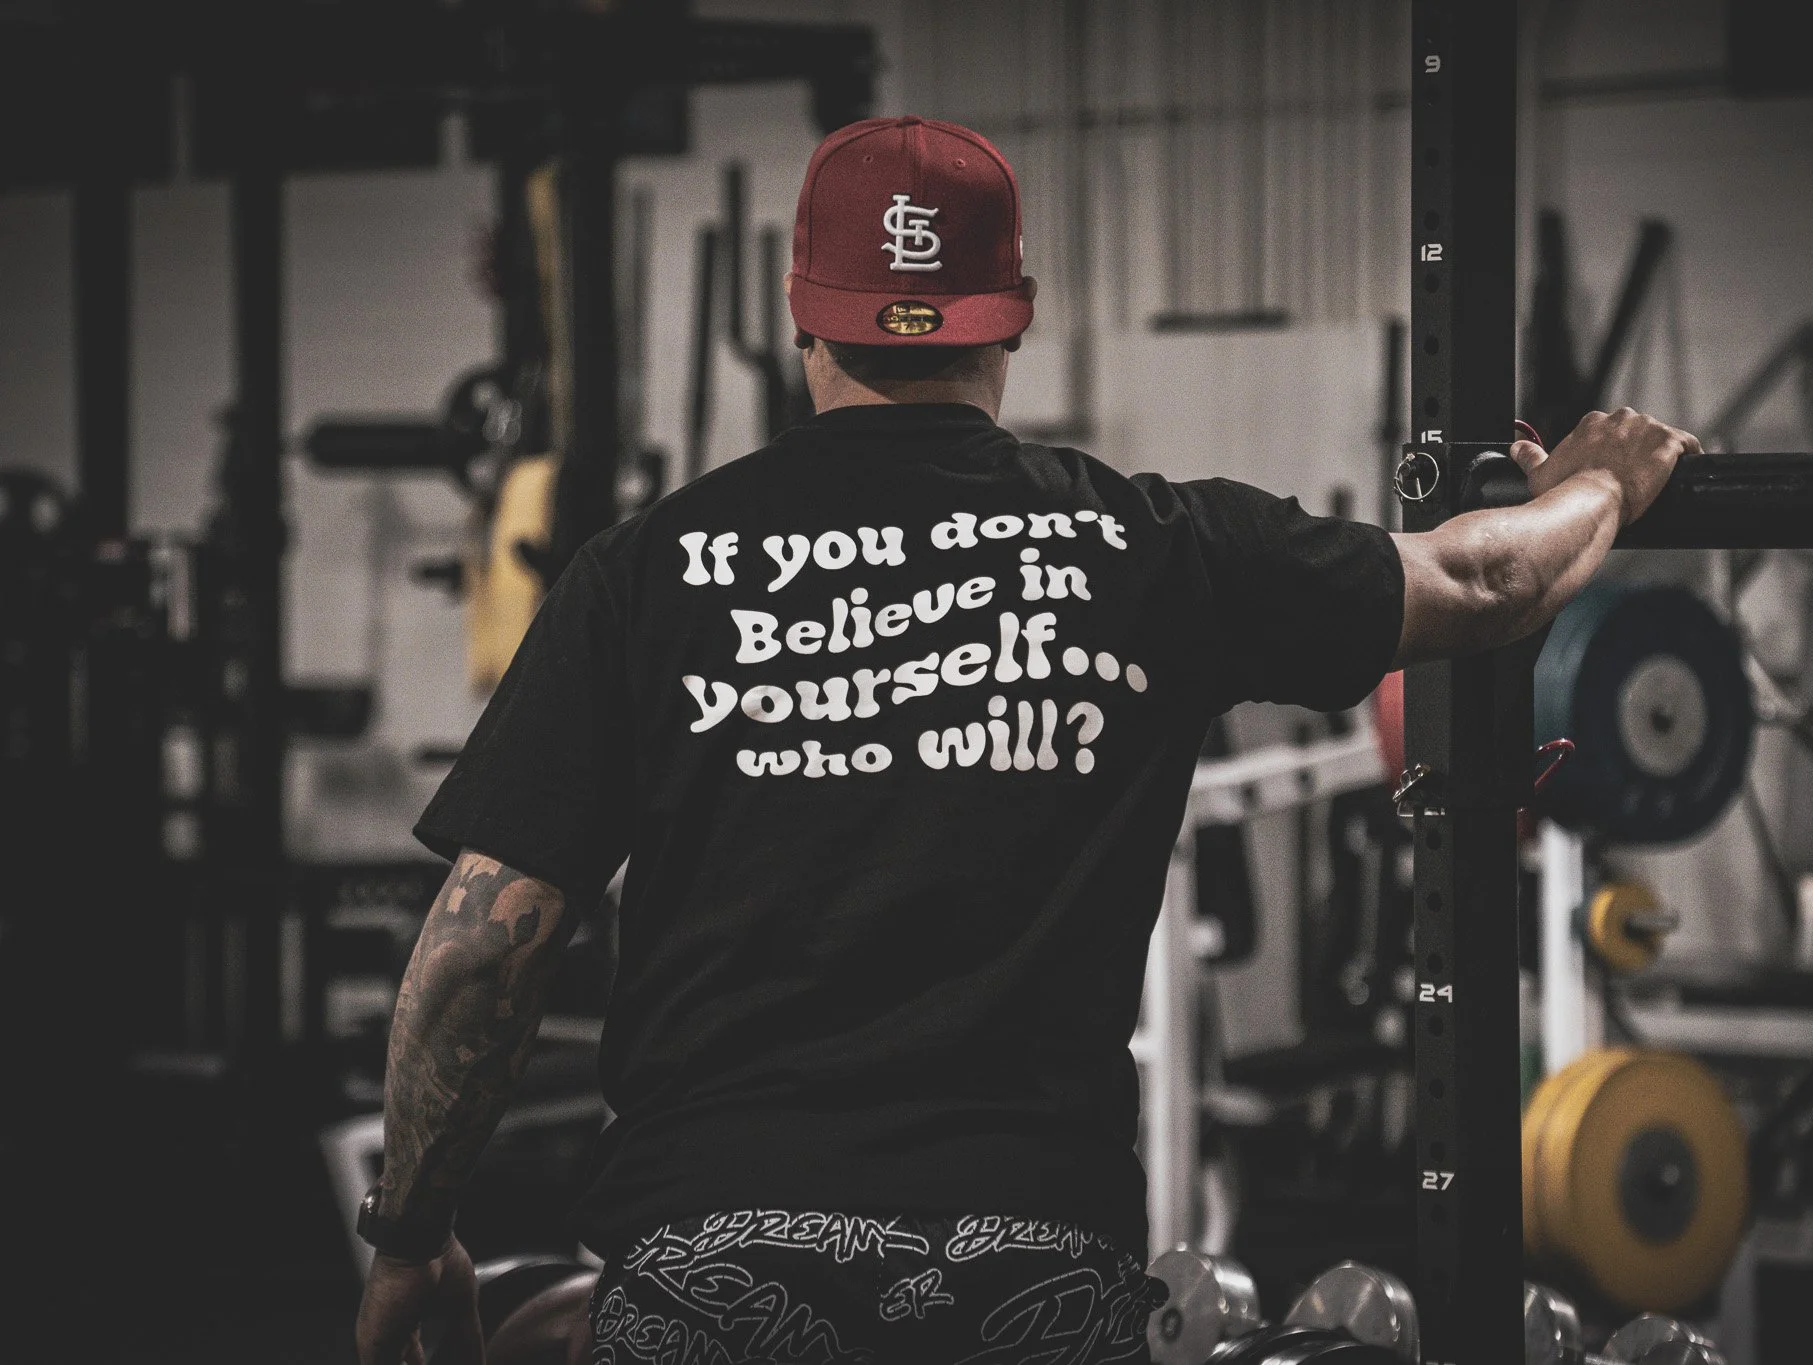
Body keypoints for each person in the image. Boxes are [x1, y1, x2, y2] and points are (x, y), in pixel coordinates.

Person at [354, 115, 1696, 1365]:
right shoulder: (1151, 547)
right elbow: (1482, 584)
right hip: (1028, 1284)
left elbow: (479, 954)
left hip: (717, 1271)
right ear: (1017, 320)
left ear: (799, 316)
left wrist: (411, 1235)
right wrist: (1603, 482)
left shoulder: (642, 574)